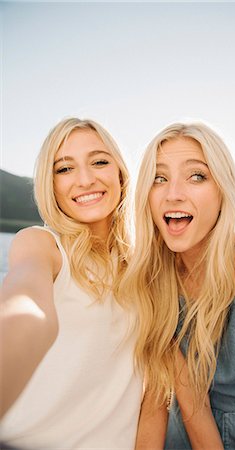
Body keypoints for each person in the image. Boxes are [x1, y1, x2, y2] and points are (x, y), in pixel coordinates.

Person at [122, 121, 235, 449]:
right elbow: (162, 398)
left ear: (223, 190)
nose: (173, 193)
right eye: (159, 178)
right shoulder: (150, 278)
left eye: (197, 176)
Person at [0, 118, 143, 449]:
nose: (85, 179)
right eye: (64, 169)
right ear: (50, 185)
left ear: (120, 171)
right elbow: (25, 305)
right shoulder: (41, 245)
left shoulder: (145, 268)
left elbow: (154, 393)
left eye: (99, 161)